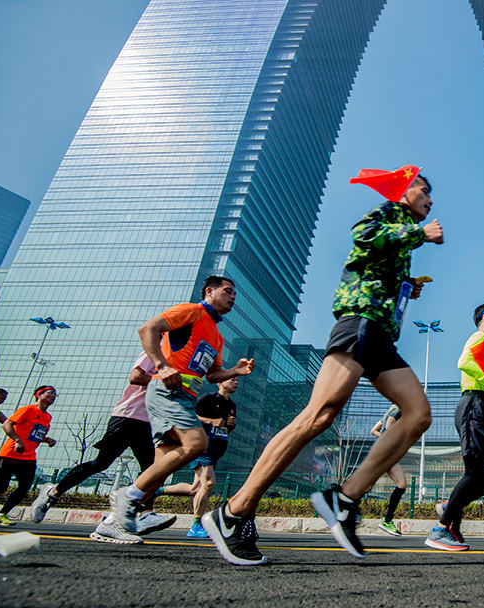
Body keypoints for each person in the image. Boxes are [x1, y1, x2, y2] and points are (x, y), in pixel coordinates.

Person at [203, 166, 441, 566]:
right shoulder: (385, 216)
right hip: (358, 325)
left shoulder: (400, 241)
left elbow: (372, 265)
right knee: (317, 417)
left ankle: (344, 498)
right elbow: (361, 236)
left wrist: (406, 284)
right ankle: (234, 511)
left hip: (381, 337)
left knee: (418, 415)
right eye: (424, 191)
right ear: (404, 191)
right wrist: (419, 234)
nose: (431, 201)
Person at [108, 276, 254, 536]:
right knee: (197, 444)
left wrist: (236, 371)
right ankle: (127, 496)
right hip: (167, 392)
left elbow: (212, 375)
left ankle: (111, 524)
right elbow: (147, 329)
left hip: (186, 397)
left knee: (159, 471)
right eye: (228, 291)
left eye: (235, 294)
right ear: (209, 291)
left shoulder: (217, 337)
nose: (232, 297)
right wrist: (162, 366)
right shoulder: (192, 311)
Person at [29, 353, 175, 544]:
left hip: (148, 421)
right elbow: (136, 377)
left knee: (151, 469)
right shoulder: (155, 352)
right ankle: (53, 492)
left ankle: (145, 513)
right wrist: (164, 382)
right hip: (128, 417)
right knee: (101, 464)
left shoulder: (175, 359)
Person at [426, 302, 484, 551]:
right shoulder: (478, 337)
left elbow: (478, 374)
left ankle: (451, 506)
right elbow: (464, 362)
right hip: (472, 410)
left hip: (482, 408)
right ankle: (441, 529)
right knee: (474, 472)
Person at [157, 377, 238, 538]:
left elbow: (226, 432)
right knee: (208, 483)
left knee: (195, 489)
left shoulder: (232, 406)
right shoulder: (208, 399)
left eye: (237, 381)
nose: (236, 382)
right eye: (232, 379)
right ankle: (196, 525)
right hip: (203, 447)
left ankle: (158, 490)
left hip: (217, 449)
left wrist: (231, 425)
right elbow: (190, 416)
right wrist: (210, 420)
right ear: (220, 383)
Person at [0, 386, 57, 526]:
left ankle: (1, 514)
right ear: (39, 395)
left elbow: (34, 434)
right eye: (50, 393)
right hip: (10, 454)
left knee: (24, 487)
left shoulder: (47, 417)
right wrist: (17, 441)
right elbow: (6, 425)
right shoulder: (27, 409)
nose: (53, 396)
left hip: (29, 457)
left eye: (55, 394)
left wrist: (47, 440)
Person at [369, 405, 408, 536]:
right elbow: (388, 426)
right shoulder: (399, 409)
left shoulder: (390, 411)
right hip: (387, 452)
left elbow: (374, 430)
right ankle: (387, 520)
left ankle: (339, 503)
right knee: (401, 484)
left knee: (367, 486)